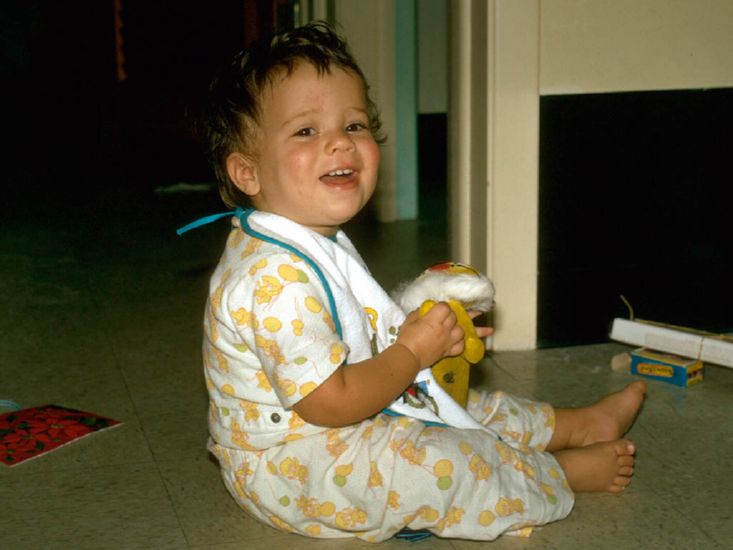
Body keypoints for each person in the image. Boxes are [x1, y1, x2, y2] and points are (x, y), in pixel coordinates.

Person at [195, 21, 646, 542]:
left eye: (355, 126)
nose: (339, 144)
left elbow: (352, 333)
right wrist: (411, 353)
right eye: (306, 131)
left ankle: (572, 426)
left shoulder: (307, 239)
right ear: (247, 172)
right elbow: (330, 403)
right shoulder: (271, 277)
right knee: (437, 464)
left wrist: (428, 339)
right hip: (293, 464)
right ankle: (559, 472)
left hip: (344, 418)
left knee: (453, 401)